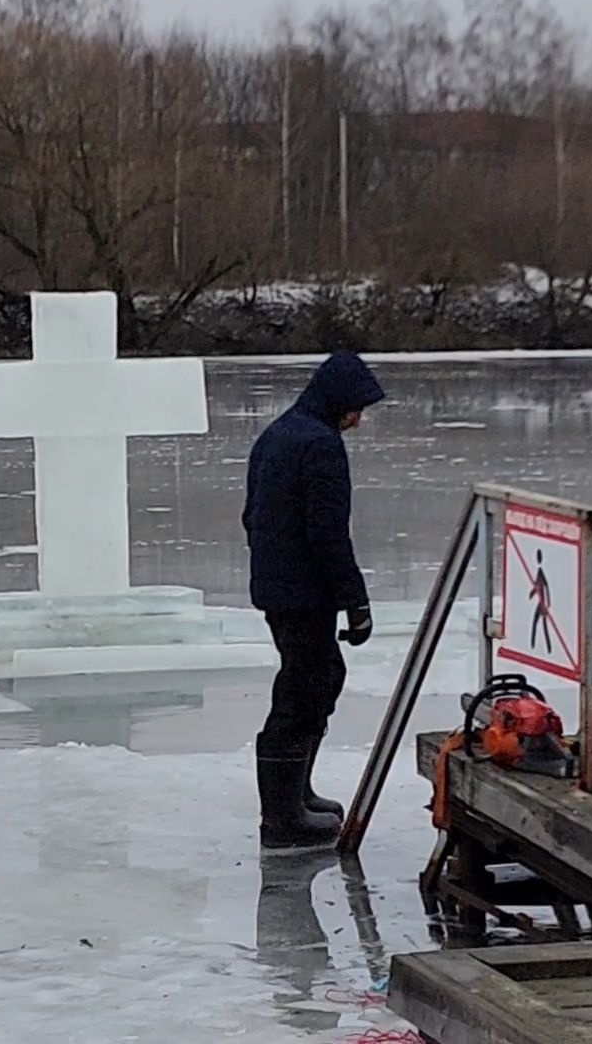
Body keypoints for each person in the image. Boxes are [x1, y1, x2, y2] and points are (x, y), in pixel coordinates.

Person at [243, 352, 385, 852]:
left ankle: (297, 796)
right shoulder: (320, 446)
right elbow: (328, 534)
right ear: (338, 401)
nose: (359, 420)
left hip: (278, 587)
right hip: (303, 593)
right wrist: (356, 601)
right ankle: (281, 822)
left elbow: (249, 516)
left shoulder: (278, 434)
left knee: (321, 680)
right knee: (301, 695)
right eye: (357, 408)